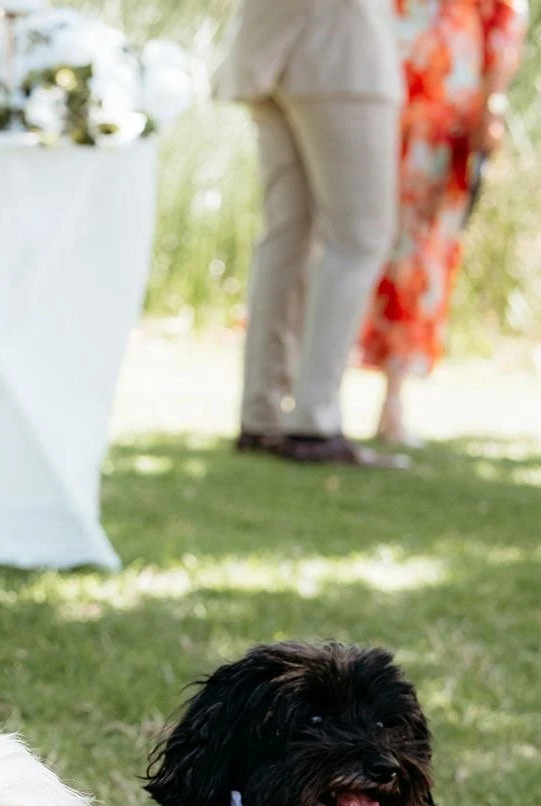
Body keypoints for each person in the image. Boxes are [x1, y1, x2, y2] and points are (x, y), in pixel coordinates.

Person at [215, 0, 407, 466]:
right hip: (340, 57)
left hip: (273, 56)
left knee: (287, 237)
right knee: (357, 238)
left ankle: (262, 414)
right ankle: (314, 423)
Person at [359, 0, 529, 445]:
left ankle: (392, 397)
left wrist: (492, 99)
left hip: (444, 100)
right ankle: (317, 395)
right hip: (375, 82)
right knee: (352, 233)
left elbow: (506, 18)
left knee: (418, 249)